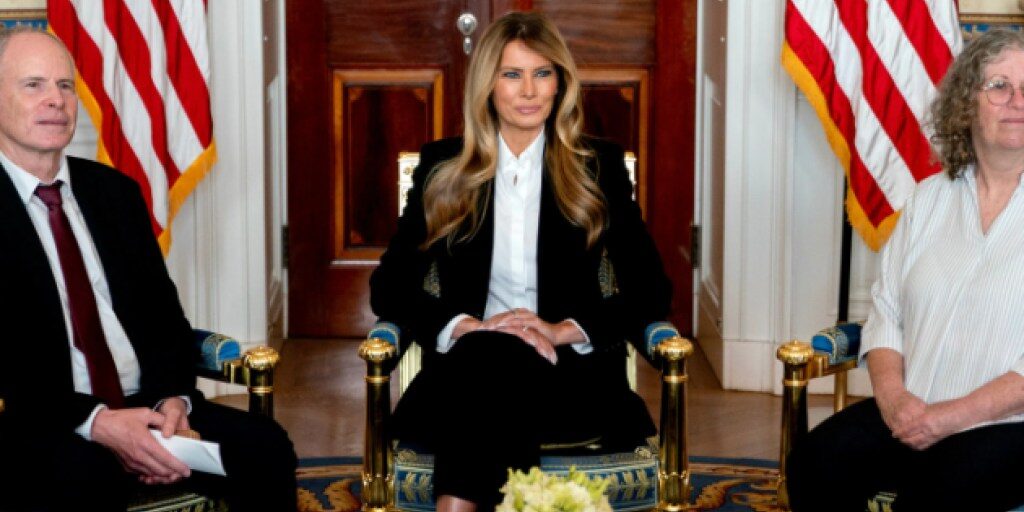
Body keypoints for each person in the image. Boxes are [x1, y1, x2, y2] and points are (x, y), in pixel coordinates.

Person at [370, 11, 671, 512]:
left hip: (568, 381)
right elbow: (389, 288)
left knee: (494, 369)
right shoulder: (444, 168)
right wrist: (468, 327)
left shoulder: (597, 168)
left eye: (542, 73)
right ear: (488, 85)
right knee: (491, 359)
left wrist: (559, 330)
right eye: (512, 74)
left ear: (559, 83)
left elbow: (651, 290)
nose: (529, 91)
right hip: (464, 374)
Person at [0, 27, 297, 510]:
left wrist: (173, 402)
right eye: (33, 85)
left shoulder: (114, 193)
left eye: (65, 85)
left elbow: (165, 323)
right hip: (47, 420)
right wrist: (98, 422)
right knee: (85, 477)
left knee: (265, 447)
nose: (56, 100)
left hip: (148, 403)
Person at [786, 29, 1024, 512]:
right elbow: (886, 312)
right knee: (816, 461)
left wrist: (949, 418)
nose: (1017, 101)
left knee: (933, 496)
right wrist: (895, 402)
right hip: (913, 406)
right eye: (999, 86)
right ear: (966, 104)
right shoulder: (929, 198)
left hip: (1009, 425)